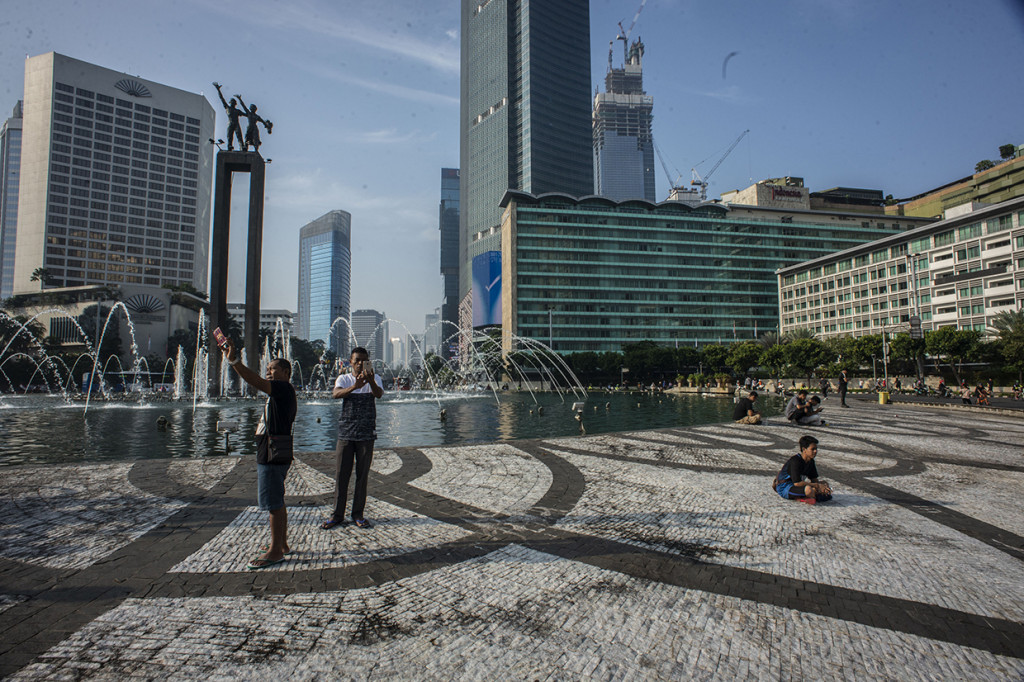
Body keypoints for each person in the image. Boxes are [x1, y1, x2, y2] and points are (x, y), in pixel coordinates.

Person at [222, 340, 296, 570]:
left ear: (286, 372)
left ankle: (275, 552)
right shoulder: (280, 392)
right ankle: (281, 544)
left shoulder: (283, 388)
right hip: (273, 449)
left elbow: (255, 381)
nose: (268, 372)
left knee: (273, 502)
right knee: (277, 499)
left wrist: (234, 361)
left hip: (272, 452)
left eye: (272, 369)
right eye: (268, 369)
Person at [322, 347, 384, 530]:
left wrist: (370, 381)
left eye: (364, 361)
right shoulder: (344, 379)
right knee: (342, 475)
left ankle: (358, 514)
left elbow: (379, 394)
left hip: (366, 434)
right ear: (350, 361)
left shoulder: (375, 378)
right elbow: (335, 394)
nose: (359, 364)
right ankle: (337, 514)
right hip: (346, 434)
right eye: (356, 360)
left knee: (362, 476)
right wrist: (354, 387)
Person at [772, 435, 832, 504]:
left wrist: (822, 487)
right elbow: (797, 483)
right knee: (809, 490)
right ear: (804, 449)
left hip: (797, 486)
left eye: (816, 449)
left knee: (824, 483)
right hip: (785, 487)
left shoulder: (811, 461)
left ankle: (811, 495)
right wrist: (817, 486)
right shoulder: (795, 461)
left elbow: (814, 479)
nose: (815, 451)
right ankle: (807, 496)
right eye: (812, 449)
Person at [213, 83, 244, 151]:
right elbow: (222, 98)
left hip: (236, 124)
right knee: (230, 137)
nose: (232, 103)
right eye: (231, 102)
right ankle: (230, 146)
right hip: (230, 123)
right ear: (230, 103)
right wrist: (218, 90)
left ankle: (242, 147)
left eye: (234, 102)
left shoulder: (237, 111)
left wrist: (240, 100)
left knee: (239, 136)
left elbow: (247, 114)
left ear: (235, 104)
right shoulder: (227, 108)